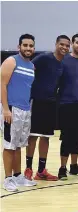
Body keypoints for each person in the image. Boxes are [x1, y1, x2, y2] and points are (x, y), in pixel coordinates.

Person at [24, 35, 70, 181]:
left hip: (51, 104)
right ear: (56, 44)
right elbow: (29, 70)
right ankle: (28, 169)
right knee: (33, 136)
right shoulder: (44, 58)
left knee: (46, 137)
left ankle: (41, 170)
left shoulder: (63, 64)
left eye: (67, 46)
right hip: (37, 102)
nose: (64, 47)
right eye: (61, 44)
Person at [1, 34, 37, 192]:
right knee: (10, 145)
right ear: (19, 47)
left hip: (25, 110)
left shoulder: (31, 66)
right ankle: (8, 179)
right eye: (25, 45)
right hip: (12, 109)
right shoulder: (11, 61)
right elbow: (2, 85)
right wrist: (6, 109)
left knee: (19, 145)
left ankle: (17, 176)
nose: (28, 48)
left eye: (31, 46)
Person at [57, 33, 78, 180]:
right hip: (67, 104)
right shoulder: (63, 60)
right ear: (72, 44)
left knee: (77, 137)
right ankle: (62, 167)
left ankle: (74, 166)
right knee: (67, 137)